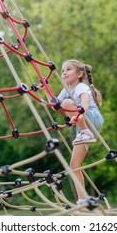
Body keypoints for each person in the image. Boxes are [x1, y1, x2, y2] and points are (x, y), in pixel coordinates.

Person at [40, 59, 104, 205]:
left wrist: (81, 115)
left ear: (80, 74)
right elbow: (55, 105)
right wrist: (45, 90)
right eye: (63, 70)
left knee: (67, 103)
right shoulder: (66, 90)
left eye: (68, 69)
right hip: (82, 126)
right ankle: (82, 201)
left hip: (91, 117)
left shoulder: (81, 86)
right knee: (74, 166)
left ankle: (85, 132)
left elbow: (85, 101)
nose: (64, 72)